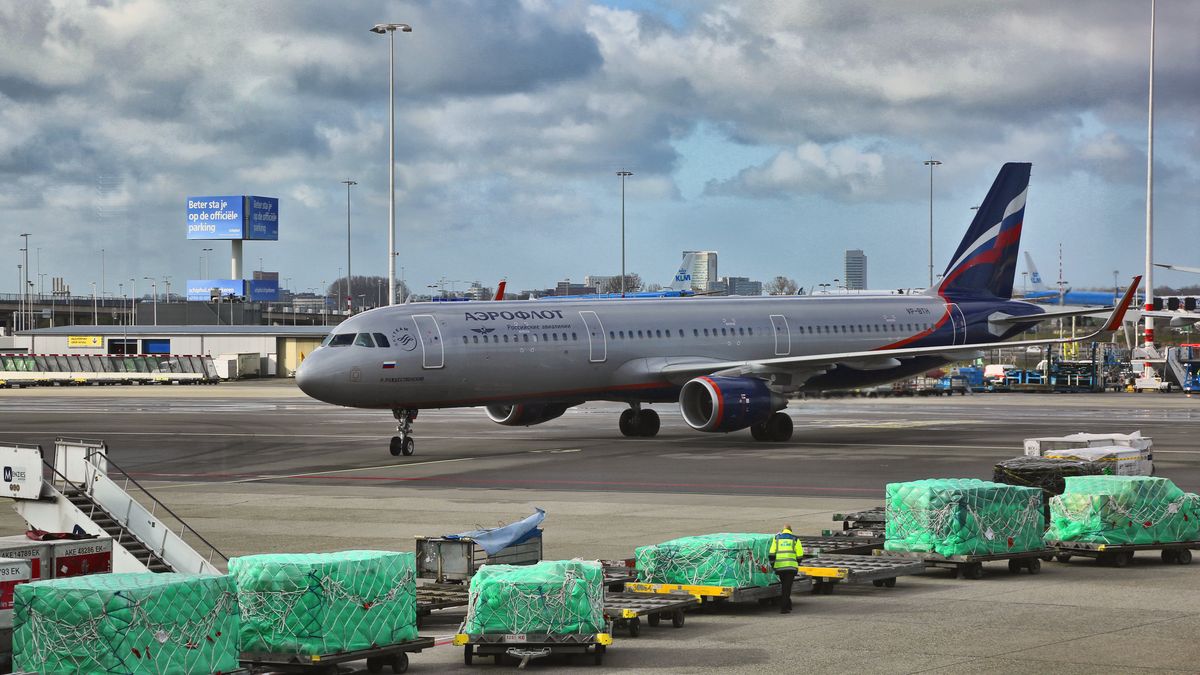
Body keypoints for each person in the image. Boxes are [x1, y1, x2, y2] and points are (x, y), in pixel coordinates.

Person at [768, 524, 804, 613]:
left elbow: (771, 553)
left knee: (784, 586)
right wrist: (798, 562)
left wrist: (773, 564)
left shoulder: (776, 538)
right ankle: (784, 608)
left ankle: (788, 605)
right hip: (791, 567)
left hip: (780, 567)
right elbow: (800, 554)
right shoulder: (795, 539)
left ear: (783, 530)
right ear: (791, 530)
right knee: (787, 588)